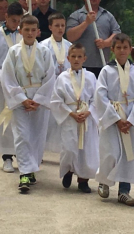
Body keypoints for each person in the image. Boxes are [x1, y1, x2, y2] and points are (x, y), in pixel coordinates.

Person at [1, 14, 56, 192]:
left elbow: (50, 77)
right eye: (27, 30)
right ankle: (24, 172)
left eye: (33, 30)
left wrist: (39, 99)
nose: (30, 33)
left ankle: (31, 168)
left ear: (38, 31)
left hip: (39, 98)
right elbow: (7, 77)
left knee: (37, 136)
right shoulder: (13, 52)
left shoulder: (45, 52)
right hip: (21, 97)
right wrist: (22, 99)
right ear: (20, 31)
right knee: (22, 135)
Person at [95, 33, 134, 206]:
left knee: (129, 155)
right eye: (118, 47)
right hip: (112, 117)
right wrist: (116, 118)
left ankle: (124, 191)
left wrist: (132, 120)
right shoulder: (106, 71)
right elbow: (100, 95)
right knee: (111, 152)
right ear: (112, 49)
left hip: (131, 118)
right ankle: (104, 181)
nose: (122, 51)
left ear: (130, 49)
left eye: (125, 47)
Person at [50, 43, 99, 193]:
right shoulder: (62, 78)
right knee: (69, 148)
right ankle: (68, 170)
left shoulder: (90, 77)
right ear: (68, 58)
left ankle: (83, 180)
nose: (76, 59)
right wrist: (70, 113)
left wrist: (89, 112)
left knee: (86, 150)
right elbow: (56, 100)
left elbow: (97, 99)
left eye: (79, 56)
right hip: (70, 116)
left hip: (86, 118)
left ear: (84, 58)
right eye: (73, 56)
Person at [0, 2, 24, 173]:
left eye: (19, 21)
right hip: (3, 84)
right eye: (14, 20)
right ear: (6, 17)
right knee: (5, 121)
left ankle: (22, 155)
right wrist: (3, 79)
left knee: (21, 120)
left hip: (20, 85)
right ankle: (6, 156)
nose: (16, 25)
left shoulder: (23, 34)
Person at [66, 0, 121, 77]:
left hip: (103, 64)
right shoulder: (76, 16)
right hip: (82, 65)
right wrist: (86, 22)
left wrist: (105, 43)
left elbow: (118, 34)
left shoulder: (107, 16)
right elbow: (70, 36)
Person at [40, 13, 72, 154]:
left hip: (64, 87)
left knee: (61, 120)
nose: (60, 29)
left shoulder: (69, 46)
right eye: (57, 25)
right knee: (45, 120)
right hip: (49, 86)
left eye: (62, 25)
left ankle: (62, 150)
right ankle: (39, 150)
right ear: (50, 27)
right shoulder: (43, 45)